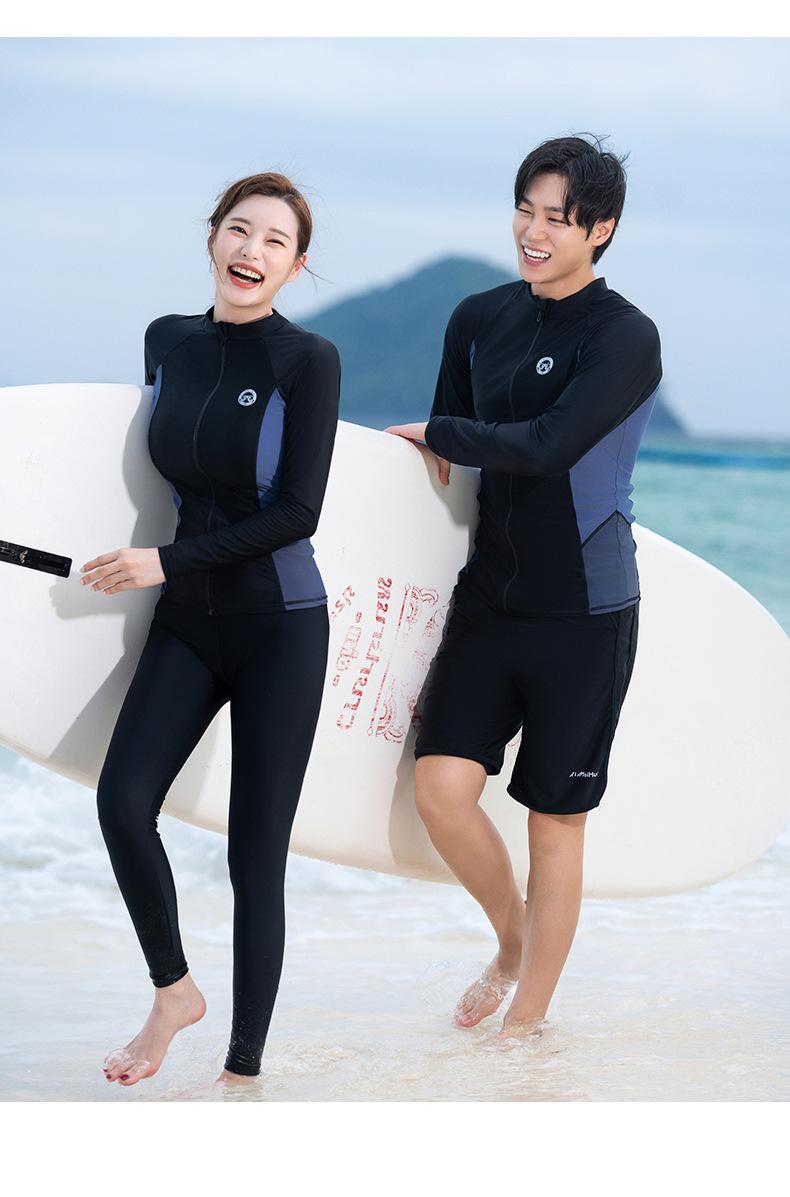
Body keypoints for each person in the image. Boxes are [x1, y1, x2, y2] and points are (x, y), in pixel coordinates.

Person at [385, 134, 662, 1042]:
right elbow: (449, 450)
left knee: (555, 821)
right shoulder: (478, 318)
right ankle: (511, 938)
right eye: (525, 211)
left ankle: (527, 1027)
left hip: (585, 612)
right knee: (440, 791)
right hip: (489, 600)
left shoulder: (624, 337)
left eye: (556, 219)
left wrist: (440, 430)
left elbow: (546, 446)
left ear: (600, 229)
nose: (533, 233)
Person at [86, 172, 341, 1085]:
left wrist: (162, 561)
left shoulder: (309, 360)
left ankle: (242, 1069)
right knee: (122, 803)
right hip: (187, 621)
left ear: (295, 266)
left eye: (275, 241)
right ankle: (174, 993)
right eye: (240, 229)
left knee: (253, 855)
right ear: (212, 238)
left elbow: (299, 511)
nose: (252, 250)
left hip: (280, 626)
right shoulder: (168, 340)